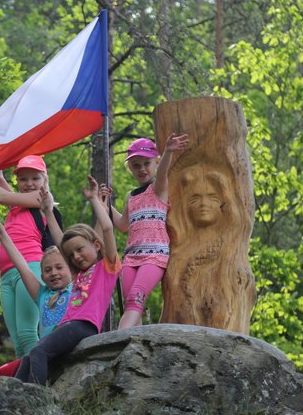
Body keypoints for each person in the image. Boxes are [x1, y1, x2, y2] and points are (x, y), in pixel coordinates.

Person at [15, 175, 121, 385]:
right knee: (28, 357)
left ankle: (36, 401)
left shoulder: (106, 267)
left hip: (84, 326)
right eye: (71, 255)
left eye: (80, 250)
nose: (76, 257)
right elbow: (60, 240)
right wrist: (47, 211)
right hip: (67, 326)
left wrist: (94, 200)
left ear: (96, 246)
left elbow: (107, 229)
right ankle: (13, 398)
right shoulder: (77, 274)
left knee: (39, 352)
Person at [0, 135, 62, 358]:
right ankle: (24, 388)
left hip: (30, 266)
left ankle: (39, 381)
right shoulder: (19, 203)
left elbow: (1, 194)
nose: (29, 184)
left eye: (35, 178)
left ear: (44, 180)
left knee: (27, 333)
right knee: (17, 338)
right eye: (24, 179)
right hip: (6, 273)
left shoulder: (42, 198)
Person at [105, 134, 189, 329]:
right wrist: (105, 205)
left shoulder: (158, 189)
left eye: (146, 163)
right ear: (130, 168)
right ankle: (133, 341)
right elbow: (122, 225)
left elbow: (162, 174)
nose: (142, 169)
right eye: (136, 165)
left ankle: (117, 338)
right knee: (131, 305)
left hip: (154, 256)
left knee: (136, 297)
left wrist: (168, 151)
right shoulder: (131, 196)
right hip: (131, 257)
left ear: (156, 162)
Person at [0, 192, 73, 376]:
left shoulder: (74, 289)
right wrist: (4, 237)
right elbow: (22, 266)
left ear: (70, 267)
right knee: (4, 371)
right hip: (43, 357)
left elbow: (66, 246)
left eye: (59, 267)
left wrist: (49, 212)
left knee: (33, 349)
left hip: (67, 350)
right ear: (42, 275)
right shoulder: (41, 294)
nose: (54, 273)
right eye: (48, 270)